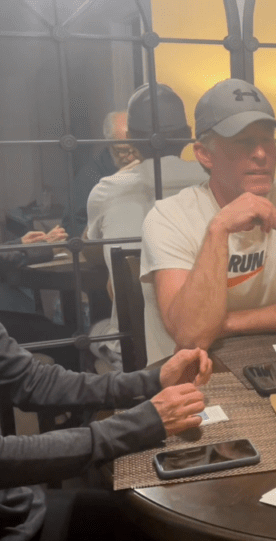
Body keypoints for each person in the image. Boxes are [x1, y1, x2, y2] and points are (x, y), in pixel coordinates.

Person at [0, 102, 215, 541]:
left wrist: (151, 380)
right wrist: (145, 423)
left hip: (4, 514)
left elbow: (30, 381)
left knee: (185, 539)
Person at [141, 78, 276, 364]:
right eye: (243, 142)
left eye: (267, 140)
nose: (261, 154)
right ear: (204, 154)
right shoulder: (167, 217)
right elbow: (192, 335)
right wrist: (219, 228)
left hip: (269, 361)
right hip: (186, 379)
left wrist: (225, 323)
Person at [86, 85, 206, 370]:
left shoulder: (107, 190)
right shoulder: (211, 181)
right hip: (203, 341)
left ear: (130, 139)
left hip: (135, 351)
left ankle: (104, 403)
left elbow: (91, 249)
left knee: (94, 331)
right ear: (189, 134)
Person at [60, 110, 141, 236]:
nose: (131, 158)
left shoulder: (149, 167)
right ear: (109, 144)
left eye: (135, 149)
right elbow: (71, 226)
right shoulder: (90, 177)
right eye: (122, 151)